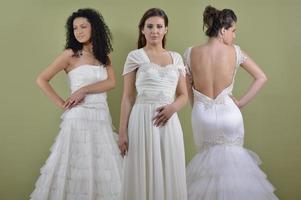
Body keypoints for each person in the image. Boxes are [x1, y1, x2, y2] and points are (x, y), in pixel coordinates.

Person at [184, 5, 279, 200]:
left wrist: (199, 109)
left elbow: (188, 92)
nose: (234, 36)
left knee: (206, 172)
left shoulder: (190, 53)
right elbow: (261, 77)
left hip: (202, 116)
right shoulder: (235, 52)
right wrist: (241, 102)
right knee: (236, 170)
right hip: (229, 114)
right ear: (222, 30)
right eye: (233, 30)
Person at [30, 8, 122, 200]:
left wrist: (83, 90)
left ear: (94, 28)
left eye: (83, 27)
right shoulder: (70, 54)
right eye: (75, 28)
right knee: (76, 165)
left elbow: (111, 82)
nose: (78, 31)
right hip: (78, 117)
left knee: (102, 167)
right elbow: (42, 79)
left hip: (101, 117)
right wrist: (61, 103)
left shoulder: (104, 55)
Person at [118, 8, 188, 200]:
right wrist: (122, 132)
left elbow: (183, 95)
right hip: (141, 121)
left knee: (169, 167)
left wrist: (172, 108)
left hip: (169, 121)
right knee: (143, 170)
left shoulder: (176, 58)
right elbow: (127, 97)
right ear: (142, 29)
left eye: (159, 26)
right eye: (149, 26)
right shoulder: (135, 56)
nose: (154, 31)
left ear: (166, 30)